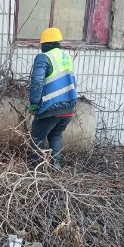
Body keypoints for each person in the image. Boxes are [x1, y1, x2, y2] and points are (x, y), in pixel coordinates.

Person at [28, 28, 78, 170]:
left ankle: (36, 169)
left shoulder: (44, 57)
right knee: (55, 136)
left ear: (46, 44)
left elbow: (37, 81)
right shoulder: (66, 57)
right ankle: (55, 166)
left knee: (37, 137)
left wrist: (34, 103)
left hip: (50, 107)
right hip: (68, 108)